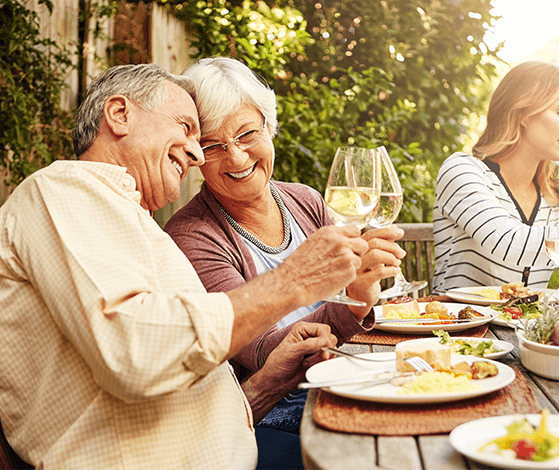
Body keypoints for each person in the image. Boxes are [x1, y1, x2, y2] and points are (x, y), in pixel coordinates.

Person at [0, 63, 374, 470]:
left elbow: (173, 391)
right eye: (187, 128)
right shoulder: (64, 190)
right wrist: (293, 280)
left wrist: (267, 384)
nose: (197, 154)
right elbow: (136, 354)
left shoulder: (134, 223)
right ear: (120, 114)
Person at [163, 57, 404, 468]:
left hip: (338, 387)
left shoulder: (305, 201)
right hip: (269, 417)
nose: (236, 157)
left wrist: (364, 287)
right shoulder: (193, 235)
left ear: (269, 127)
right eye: (213, 146)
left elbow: (351, 297)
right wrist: (357, 297)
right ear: (195, 156)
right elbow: (258, 350)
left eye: (246, 134)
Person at [433, 61, 559, 293]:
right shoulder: (462, 171)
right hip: (459, 327)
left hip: (525, 330)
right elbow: (511, 243)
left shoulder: (553, 197)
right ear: (523, 114)